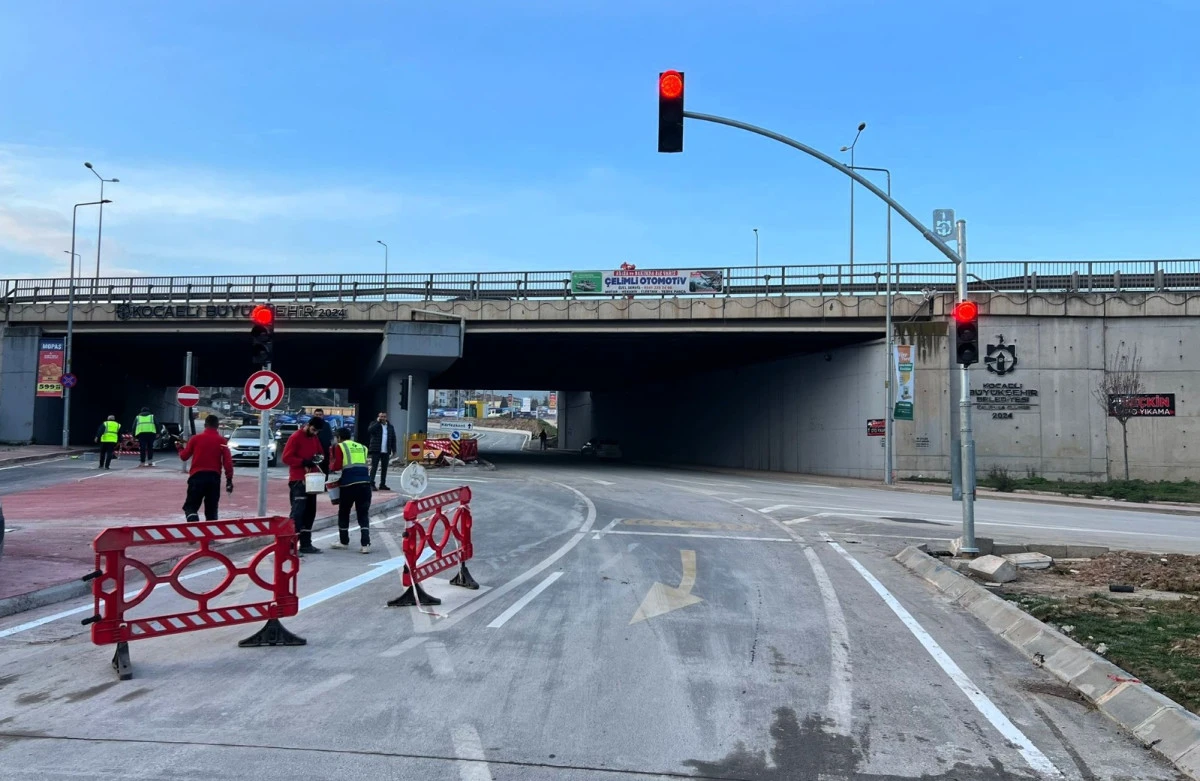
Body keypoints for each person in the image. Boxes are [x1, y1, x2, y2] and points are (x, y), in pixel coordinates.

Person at [176, 414, 234, 522]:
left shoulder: (195, 439)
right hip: (214, 478)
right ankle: (210, 536)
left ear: (204, 425)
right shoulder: (222, 441)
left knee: (191, 507)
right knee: (211, 510)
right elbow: (228, 462)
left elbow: (184, 456)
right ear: (217, 426)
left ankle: (194, 528)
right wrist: (229, 480)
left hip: (197, 477)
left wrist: (179, 448)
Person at [283, 416, 326, 554]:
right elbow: (286, 457)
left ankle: (306, 544)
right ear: (308, 425)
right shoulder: (295, 437)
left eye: (317, 432)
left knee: (310, 512)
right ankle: (290, 546)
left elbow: (320, 453)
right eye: (313, 430)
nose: (315, 433)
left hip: (311, 481)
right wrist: (303, 462)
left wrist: (316, 460)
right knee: (298, 513)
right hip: (298, 480)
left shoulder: (314, 438)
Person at [329, 427, 372, 553]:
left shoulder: (340, 446)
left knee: (344, 512)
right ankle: (365, 544)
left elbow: (337, 466)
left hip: (349, 484)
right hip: (365, 483)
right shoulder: (362, 447)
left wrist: (330, 466)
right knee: (363, 513)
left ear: (339, 437)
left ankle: (344, 541)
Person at [367, 411, 397, 491]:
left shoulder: (390, 427)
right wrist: (377, 422)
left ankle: (382, 484)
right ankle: (371, 483)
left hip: (386, 450)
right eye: (381, 416)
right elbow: (370, 431)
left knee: (384, 468)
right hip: (376, 449)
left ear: (386, 418)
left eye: (384, 417)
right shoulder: (374, 424)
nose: (383, 418)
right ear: (378, 417)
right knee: (374, 467)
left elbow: (393, 438)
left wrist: (394, 449)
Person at [311, 408, 334, 476]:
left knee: (324, 471)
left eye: (320, 415)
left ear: (323, 415)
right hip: (312, 452)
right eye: (316, 414)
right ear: (314, 415)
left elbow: (330, 438)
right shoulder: (309, 424)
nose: (318, 416)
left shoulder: (326, 425)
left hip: (324, 452)